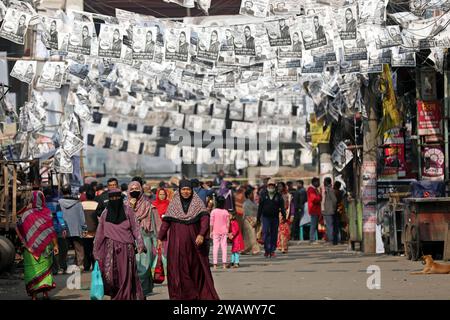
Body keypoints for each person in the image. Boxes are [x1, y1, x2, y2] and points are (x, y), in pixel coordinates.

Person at [157, 179, 219, 300]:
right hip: (176, 245)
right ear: (179, 190)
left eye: (188, 189)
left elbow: (205, 220)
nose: (186, 192)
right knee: (179, 270)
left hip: (194, 245)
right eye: (183, 189)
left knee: (195, 270)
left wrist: (201, 234)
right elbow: (166, 222)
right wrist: (160, 237)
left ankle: (197, 294)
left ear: (192, 190)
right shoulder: (174, 204)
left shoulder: (197, 203)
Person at [93, 188, 146, 300]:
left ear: (121, 198)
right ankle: (118, 295)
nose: (115, 199)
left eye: (117, 197)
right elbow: (99, 234)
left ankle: (125, 296)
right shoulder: (105, 214)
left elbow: (135, 228)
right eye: (112, 198)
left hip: (127, 248)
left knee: (126, 274)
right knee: (112, 276)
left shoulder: (128, 211)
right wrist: (96, 250)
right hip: (110, 249)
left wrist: (140, 243)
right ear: (109, 199)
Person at [16, 191, 58, 300]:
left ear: (31, 200)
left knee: (32, 269)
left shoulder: (26, 214)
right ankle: (45, 293)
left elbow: (19, 227)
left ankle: (34, 295)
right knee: (45, 269)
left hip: (30, 248)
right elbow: (51, 231)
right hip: (45, 246)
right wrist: (56, 245)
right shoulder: (47, 213)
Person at [126, 181, 161, 298]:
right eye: (132, 189)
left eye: (137, 188)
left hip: (146, 240)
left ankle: (143, 292)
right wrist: (130, 207)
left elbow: (157, 225)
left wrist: (158, 241)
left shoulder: (148, 206)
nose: (134, 191)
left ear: (141, 190)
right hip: (129, 240)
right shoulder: (124, 206)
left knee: (145, 268)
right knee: (132, 268)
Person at [58, 185, 86, 270]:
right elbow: (82, 216)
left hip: (64, 229)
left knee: (63, 249)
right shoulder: (77, 202)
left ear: (62, 192)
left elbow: (58, 215)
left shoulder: (59, 202)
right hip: (76, 228)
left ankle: (62, 266)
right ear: (70, 191)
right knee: (79, 248)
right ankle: (80, 264)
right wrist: (84, 227)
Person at [257, 180, 286, 258]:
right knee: (266, 233)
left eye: (272, 185)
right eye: (269, 185)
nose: (271, 187)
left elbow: (282, 207)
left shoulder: (278, 196)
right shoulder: (263, 194)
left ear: (275, 186)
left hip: (275, 217)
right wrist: (258, 218)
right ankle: (267, 250)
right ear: (267, 186)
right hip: (265, 217)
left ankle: (272, 250)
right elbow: (260, 207)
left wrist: (284, 216)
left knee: (274, 234)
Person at [210, 196, 230, 269]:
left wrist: (211, 231)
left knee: (215, 247)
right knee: (224, 247)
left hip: (215, 231)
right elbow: (228, 223)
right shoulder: (226, 212)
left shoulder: (213, 211)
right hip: (224, 231)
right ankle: (224, 264)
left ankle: (215, 264)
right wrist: (228, 231)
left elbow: (211, 223)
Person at [81, 187, 98, 271]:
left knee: (86, 250)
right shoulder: (97, 204)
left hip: (84, 232)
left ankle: (87, 266)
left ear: (86, 196)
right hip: (95, 231)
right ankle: (95, 265)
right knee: (95, 250)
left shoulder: (81, 205)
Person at [242, 188, 260, 255]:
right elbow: (246, 214)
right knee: (250, 235)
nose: (253, 195)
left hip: (254, 219)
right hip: (248, 220)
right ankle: (254, 249)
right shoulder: (246, 203)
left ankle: (246, 249)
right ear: (248, 195)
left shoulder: (253, 202)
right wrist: (251, 222)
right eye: (251, 194)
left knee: (252, 235)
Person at [276, 182, 292, 253]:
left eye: (281, 186)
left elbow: (292, 206)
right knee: (280, 231)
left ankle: (284, 246)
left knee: (286, 231)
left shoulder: (288, 196)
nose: (280, 188)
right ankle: (281, 246)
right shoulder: (275, 195)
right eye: (278, 186)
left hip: (286, 214)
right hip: (277, 215)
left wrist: (292, 215)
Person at [323, 177, 338, 244]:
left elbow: (334, 200)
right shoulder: (327, 190)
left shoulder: (330, 190)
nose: (323, 183)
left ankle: (331, 240)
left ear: (327, 182)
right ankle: (332, 239)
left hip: (329, 210)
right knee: (330, 225)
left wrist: (333, 208)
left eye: (324, 182)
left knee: (329, 226)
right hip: (328, 210)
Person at [307, 177, 322, 243]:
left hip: (316, 209)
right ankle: (312, 239)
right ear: (314, 182)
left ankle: (313, 238)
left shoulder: (315, 189)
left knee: (315, 225)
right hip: (313, 209)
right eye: (318, 182)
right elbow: (314, 199)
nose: (319, 183)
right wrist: (319, 196)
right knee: (313, 225)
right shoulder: (311, 189)